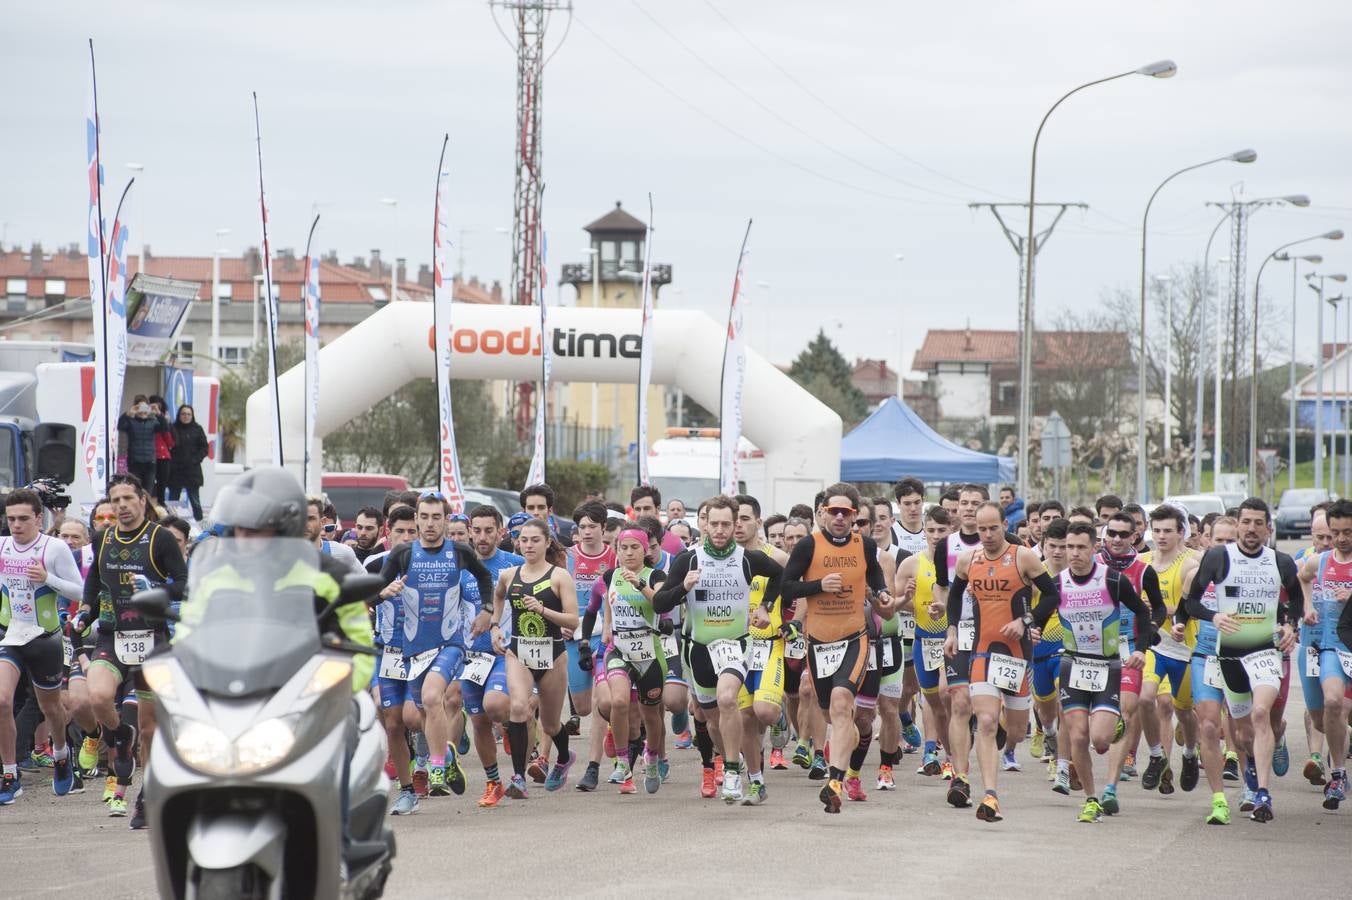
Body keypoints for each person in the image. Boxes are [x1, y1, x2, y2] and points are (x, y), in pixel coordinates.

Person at [70, 474, 187, 827]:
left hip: (152, 637)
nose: (120, 505)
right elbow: (92, 584)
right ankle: (120, 736)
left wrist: (157, 587)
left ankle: (146, 797)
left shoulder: (160, 539)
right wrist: (86, 612)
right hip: (113, 635)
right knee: (98, 697)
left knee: (151, 730)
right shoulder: (103, 538)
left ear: (141, 500)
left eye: (127, 499)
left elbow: (183, 584)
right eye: (114, 499)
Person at [1178, 498, 1302, 823]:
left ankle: (1263, 793)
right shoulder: (1219, 558)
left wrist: (1291, 626)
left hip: (1264, 651)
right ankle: (1249, 779)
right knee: (1243, 733)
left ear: (1268, 528)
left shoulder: (1281, 562)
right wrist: (1213, 616)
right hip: (1228, 654)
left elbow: (1296, 601)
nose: (1251, 529)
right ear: (1238, 525)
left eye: (1258, 523)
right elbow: (1191, 603)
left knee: (1262, 713)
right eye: (1245, 522)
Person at [654, 495, 784, 804]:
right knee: (714, 722)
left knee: (729, 701)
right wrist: (683, 588)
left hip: (736, 645)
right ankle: (755, 778)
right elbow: (660, 604)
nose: (721, 530)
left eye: (727, 524)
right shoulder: (689, 559)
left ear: (736, 523)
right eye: (715, 524)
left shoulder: (747, 558)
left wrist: (766, 607)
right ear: (705, 524)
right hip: (699, 651)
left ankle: (732, 771)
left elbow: (780, 574)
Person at [780, 483, 895, 813]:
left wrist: (883, 592)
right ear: (823, 514)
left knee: (844, 702)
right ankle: (848, 746)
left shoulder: (865, 545)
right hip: (818, 640)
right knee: (832, 713)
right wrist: (818, 585)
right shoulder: (807, 546)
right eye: (834, 512)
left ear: (855, 515)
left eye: (847, 512)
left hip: (854, 636)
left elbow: (873, 573)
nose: (841, 518)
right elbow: (786, 586)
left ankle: (836, 781)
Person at [377, 492, 492, 813]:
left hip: (450, 644)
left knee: (431, 698)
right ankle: (414, 784)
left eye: (436, 518)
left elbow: (484, 577)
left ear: (446, 520)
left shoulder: (459, 552)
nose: (429, 523)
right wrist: (383, 592)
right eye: (424, 517)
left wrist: (485, 610)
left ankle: (436, 767)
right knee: (404, 721)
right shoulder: (401, 554)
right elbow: (374, 591)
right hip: (410, 650)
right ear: (416, 519)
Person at [945, 501, 1058, 823]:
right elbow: (955, 597)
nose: (988, 534)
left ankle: (1007, 731)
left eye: (994, 528)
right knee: (986, 721)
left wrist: (1027, 621)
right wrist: (952, 630)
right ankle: (990, 795)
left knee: (1017, 733)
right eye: (982, 529)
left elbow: (1050, 596)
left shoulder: (1022, 556)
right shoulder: (969, 560)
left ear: (1004, 524)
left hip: (1016, 653)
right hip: (981, 651)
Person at [1035, 521, 1152, 823]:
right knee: (1078, 734)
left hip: (1108, 665)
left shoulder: (1112, 581)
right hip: (1073, 664)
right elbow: (1039, 613)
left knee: (1099, 740)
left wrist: (1140, 648)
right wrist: (1030, 628)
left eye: (1080, 547)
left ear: (1094, 548)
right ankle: (1090, 799)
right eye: (1068, 547)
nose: (1073, 553)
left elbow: (1141, 611)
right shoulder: (1057, 583)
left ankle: (1114, 727)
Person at [0, 488, 85, 804]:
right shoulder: (3, 547)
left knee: (51, 708)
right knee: (2, 700)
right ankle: (10, 775)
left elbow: (80, 592)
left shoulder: (55, 548)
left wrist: (48, 578)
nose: (16, 525)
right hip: (10, 636)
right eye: (11, 519)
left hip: (45, 639)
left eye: (23, 518)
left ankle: (62, 754)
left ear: (39, 518)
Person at [489, 518, 579, 799]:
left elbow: (573, 620)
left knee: (551, 725)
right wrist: (494, 625)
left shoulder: (559, 577)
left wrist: (542, 610)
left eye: (534, 540)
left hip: (553, 654)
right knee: (518, 708)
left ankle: (563, 757)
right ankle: (518, 777)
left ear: (547, 542)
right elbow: (499, 596)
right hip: (519, 652)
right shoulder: (509, 575)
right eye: (523, 540)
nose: (528, 545)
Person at [596, 526, 670, 795]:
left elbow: (662, 602)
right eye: (623, 547)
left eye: (634, 547)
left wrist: (639, 584)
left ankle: (651, 758)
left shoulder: (656, 575)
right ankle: (623, 762)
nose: (628, 553)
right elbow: (608, 599)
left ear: (645, 550)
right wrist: (606, 625)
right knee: (618, 701)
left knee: (651, 714)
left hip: (649, 653)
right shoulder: (611, 575)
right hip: (619, 650)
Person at [461, 505, 523, 807]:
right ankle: (493, 782)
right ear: (470, 531)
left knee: (495, 705)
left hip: (505, 652)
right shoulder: (460, 566)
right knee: (479, 720)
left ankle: (512, 725)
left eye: (489, 530)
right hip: (472, 656)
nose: (483, 537)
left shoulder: (515, 564)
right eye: (477, 530)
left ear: (501, 532)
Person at [1138, 505, 1200, 799]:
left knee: (1184, 711)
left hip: (1185, 647)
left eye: (1167, 531)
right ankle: (1158, 759)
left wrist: (1174, 611)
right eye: (1157, 530)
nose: (1161, 536)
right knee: (1149, 699)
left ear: (1181, 532)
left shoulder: (1191, 562)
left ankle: (1189, 753)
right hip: (1153, 644)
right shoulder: (1141, 561)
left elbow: (1196, 601)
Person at [1296, 498, 1352, 810]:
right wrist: (1307, 606)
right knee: (1330, 706)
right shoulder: (1322, 561)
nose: (1342, 538)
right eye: (1336, 532)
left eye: (1348, 532)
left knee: (1341, 711)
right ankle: (1338, 774)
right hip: (1332, 644)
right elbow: (1303, 577)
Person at [899, 505, 955, 780]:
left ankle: (948, 755)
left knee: (946, 694)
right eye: (930, 530)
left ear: (951, 530)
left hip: (951, 640)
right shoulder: (911, 564)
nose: (935, 536)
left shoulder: (961, 563)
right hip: (923, 639)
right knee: (930, 700)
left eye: (941, 531)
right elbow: (896, 603)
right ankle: (932, 750)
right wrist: (908, 600)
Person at [564, 500, 617, 792]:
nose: (586, 532)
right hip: (574, 636)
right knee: (582, 708)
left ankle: (592, 767)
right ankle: (611, 724)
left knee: (598, 703)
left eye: (592, 527)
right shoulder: (568, 557)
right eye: (581, 527)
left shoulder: (614, 558)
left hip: (604, 636)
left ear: (603, 528)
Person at [117, 397, 169, 493]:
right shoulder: (130, 421)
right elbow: (120, 426)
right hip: (134, 461)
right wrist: (129, 413)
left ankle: (146, 507)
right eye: (140, 407)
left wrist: (158, 413)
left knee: (147, 491)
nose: (142, 411)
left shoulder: (153, 421)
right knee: (135, 490)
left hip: (150, 462)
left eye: (145, 407)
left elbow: (165, 429)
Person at [306, 496, 363, 576]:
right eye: (301, 518)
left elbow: (367, 584)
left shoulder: (343, 553)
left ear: (322, 522)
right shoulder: (284, 556)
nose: (305, 524)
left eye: (311, 518)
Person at [630, 485, 683, 557]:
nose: (642, 514)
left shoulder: (676, 543)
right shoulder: (625, 541)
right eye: (638, 509)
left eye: (647, 508)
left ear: (658, 509)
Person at [892, 478, 928, 556]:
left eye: (917, 502)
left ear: (923, 501)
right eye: (907, 503)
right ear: (898, 503)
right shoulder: (890, 533)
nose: (913, 508)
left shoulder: (934, 531)